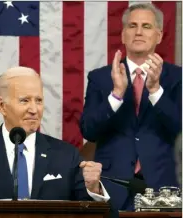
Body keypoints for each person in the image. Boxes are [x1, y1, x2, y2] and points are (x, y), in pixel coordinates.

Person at [0, 66, 111, 206]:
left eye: (39, 100)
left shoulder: (66, 155)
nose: (34, 110)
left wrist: (95, 189)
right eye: (25, 100)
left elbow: (105, 214)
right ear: (2, 106)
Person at [80, 3, 182, 211]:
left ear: (159, 35)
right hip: (112, 187)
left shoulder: (176, 77)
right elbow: (88, 130)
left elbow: (179, 126)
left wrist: (155, 91)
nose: (138, 32)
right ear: (123, 34)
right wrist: (116, 95)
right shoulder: (100, 78)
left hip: (163, 188)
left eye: (146, 26)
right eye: (132, 26)